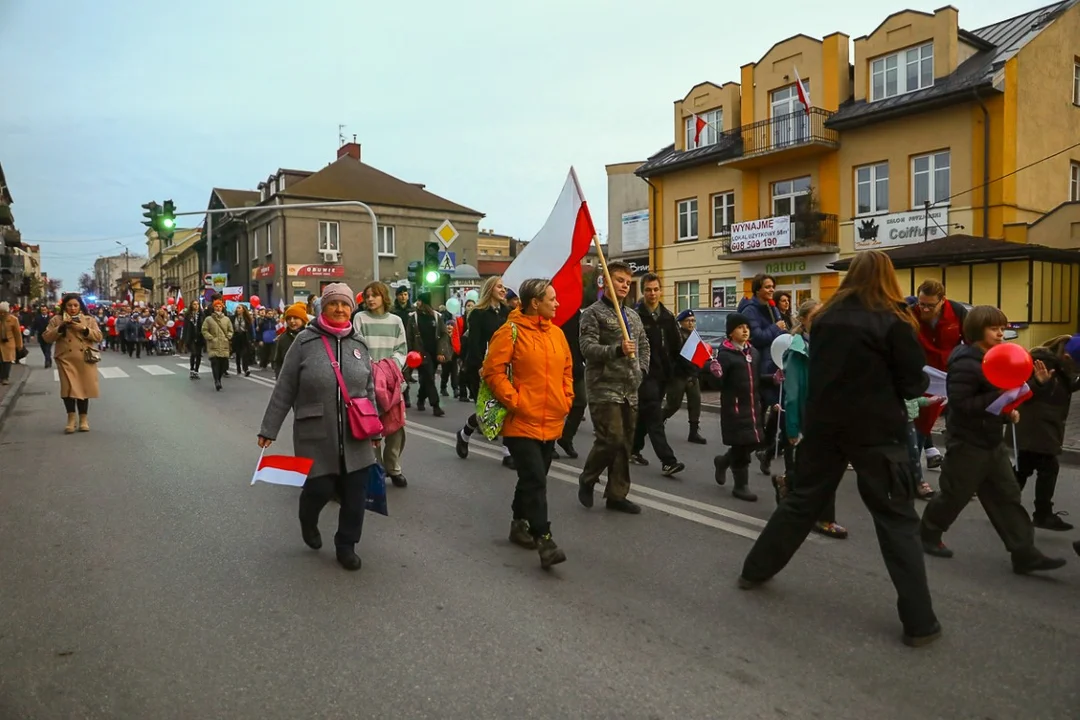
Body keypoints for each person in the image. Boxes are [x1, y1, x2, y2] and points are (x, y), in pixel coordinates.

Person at [738, 251, 940, 647]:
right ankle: (919, 622)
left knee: (802, 502)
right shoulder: (895, 319)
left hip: (827, 425)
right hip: (878, 431)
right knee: (897, 520)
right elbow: (913, 381)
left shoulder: (826, 318)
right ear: (888, 278)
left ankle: (754, 570)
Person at [920, 306, 1067, 575]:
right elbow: (962, 405)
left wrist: (1034, 385)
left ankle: (1025, 554)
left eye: (1002, 327)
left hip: (991, 441)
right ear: (978, 331)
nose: (1001, 333)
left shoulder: (994, 357)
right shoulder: (965, 362)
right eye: (994, 328)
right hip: (967, 442)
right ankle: (928, 534)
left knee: (1007, 497)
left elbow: (1004, 397)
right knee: (955, 495)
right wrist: (1003, 399)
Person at [258, 283, 379, 572]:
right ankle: (308, 518)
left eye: (345, 304)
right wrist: (269, 429)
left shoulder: (359, 344)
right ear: (322, 308)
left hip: (356, 433)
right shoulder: (304, 342)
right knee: (320, 488)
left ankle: (346, 544)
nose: (340, 309)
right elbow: (285, 387)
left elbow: (369, 388)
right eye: (333, 304)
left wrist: (374, 429)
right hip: (315, 430)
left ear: (352, 308)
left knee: (355, 493)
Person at [483, 278, 574, 568]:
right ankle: (544, 538)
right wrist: (516, 401)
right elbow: (492, 372)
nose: (557, 304)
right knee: (535, 478)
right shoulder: (509, 332)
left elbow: (567, 370)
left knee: (533, 479)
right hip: (521, 422)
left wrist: (566, 398)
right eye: (552, 299)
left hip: (551, 420)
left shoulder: (557, 334)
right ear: (535, 303)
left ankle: (518, 523)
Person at [577, 261, 650, 515]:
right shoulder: (593, 313)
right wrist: (616, 350)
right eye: (619, 280)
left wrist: (642, 370)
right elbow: (587, 348)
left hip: (630, 387)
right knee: (611, 439)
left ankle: (617, 494)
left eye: (628, 282)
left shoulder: (632, 316)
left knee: (625, 444)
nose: (624, 286)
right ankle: (588, 477)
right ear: (606, 282)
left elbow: (643, 346)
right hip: (603, 386)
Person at [773, 299, 847, 537]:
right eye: (815, 317)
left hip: (829, 415)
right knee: (824, 468)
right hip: (809, 417)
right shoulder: (797, 350)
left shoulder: (828, 345)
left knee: (816, 467)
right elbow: (792, 395)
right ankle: (824, 518)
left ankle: (787, 482)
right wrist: (792, 428)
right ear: (802, 320)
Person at [1014, 336, 1080, 531]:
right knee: (1048, 467)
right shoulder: (1040, 363)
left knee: (1023, 467)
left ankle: (1004, 505)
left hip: (1046, 424)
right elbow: (1021, 393)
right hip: (1036, 426)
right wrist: (1039, 383)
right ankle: (1041, 514)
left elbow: (1066, 386)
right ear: (1067, 356)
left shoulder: (1061, 366)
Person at [354, 282, 409, 488]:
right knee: (371, 426)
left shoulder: (396, 321)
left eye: (374, 295)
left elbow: (401, 349)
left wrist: (388, 368)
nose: (370, 299)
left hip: (390, 381)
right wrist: (370, 368)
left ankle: (393, 467)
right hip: (366, 380)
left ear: (383, 297)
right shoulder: (360, 318)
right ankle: (375, 468)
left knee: (396, 426)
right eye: (367, 296)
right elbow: (357, 347)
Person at [629, 273, 685, 477]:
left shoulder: (667, 316)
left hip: (663, 374)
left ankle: (633, 450)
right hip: (644, 374)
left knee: (646, 416)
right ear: (643, 292)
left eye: (655, 289)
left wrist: (682, 367)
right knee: (654, 416)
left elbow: (676, 346)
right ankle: (668, 461)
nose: (652, 293)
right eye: (648, 290)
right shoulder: (634, 315)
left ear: (661, 291)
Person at [908, 280, 968, 470]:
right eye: (921, 304)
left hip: (951, 375)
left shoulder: (957, 312)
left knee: (958, 426)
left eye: (930, 305)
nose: (924, 309)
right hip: (923, 376)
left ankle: (958, 474)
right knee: (920, 422)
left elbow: (969, 342)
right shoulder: (909, 315)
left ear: (942, 300)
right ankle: (913, 474)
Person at [708, 313, 764, 502]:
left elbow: (757, 379)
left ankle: (723, 461)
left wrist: (772, 379)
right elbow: (719, 384)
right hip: (736, 408)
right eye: (740, 327)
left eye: (746, 327)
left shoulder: (753, 353)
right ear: (731, 332)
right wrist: (715, 373)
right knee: (741, 446)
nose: (745, 330)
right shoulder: (726, 355)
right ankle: (741, 486)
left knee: (754, 442)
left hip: (754, 408)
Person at [738, 274, 787, 476]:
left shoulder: (773, 308)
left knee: (780, 411)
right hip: (761, 368)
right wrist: (776, 328)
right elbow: (756, 338)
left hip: (777, 366)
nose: (770, 289)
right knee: (758, 416)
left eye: (772, 286)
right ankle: (738, 456)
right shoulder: (751, 310)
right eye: (767, 286)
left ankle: (765, 450)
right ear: (757, 289)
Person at [42, 294, 102, 433]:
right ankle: (71, 419)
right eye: (69, 305)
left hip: (84, 359)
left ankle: (83, 419)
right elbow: (46, 337)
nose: (72, 308)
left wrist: (84, 329)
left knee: (83, 389)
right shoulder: (56, 320)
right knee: (67, 389)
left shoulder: (88, 320)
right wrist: (60, 329)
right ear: (64, 306)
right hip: (65, 358)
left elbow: (99, 336)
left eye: (75, 305)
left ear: (80, 306)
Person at [404, 291, 451, 417]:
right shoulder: (413, 317)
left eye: (420, 300)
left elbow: (443, 334)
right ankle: (435, 405)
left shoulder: (436, 316)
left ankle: (420, 399)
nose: (417, 303)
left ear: (425, 302)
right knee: (429, 377)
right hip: (420, 353)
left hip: (434, 352)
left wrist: (441, 351)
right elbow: (409, 337)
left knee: (426, 378)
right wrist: (410, 352)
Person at [663, 309, 706, 444]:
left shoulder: (695, 336)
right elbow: (676, 357)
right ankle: (656, 421)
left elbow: (698, 357)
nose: (691, 323)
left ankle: (693, 432)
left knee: (695, 403)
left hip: (692, 375)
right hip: (678, 376)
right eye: (688, 321)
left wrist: (696, 372)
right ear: (681, 322)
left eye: (693, 320)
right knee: (673, 404)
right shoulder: (677, 336)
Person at [556, 309, 587, 459]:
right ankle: (547, 443)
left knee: (580, 402)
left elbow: (581, 340)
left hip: (575, 366)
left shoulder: (577, 314)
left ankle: (566, 437)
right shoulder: (549, 313)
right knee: (555, 406)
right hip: (555, 366)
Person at [202, 298, 234, 391]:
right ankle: (216, 380)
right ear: (214, 308)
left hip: (224, 344)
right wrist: (210, 338)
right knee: (215, 363)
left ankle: (219, 378)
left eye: (220, 306)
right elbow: (204, 330)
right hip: (213, 345)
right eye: (217, 306)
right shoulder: (209, 319)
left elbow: (230, 330)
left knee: (223, 364)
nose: (218, 308)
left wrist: (228, 336)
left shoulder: (226, 319)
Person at [272, 302, 308, 378]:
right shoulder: (283, 337)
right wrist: (279, 377)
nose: (291, 321)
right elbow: (278, 361)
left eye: (295, 318)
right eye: (289, 318)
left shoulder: (311, 336)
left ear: (303, 320)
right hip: (288, 379)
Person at [0, 301, 24, 385]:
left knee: (7, 361)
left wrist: (19, 345)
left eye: (4, 312)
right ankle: (1, 377)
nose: (2, 314)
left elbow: (17, 334)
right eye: (1, 312)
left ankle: (5, 378)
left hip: (9, 344)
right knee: (1, 361)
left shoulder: (13, 320)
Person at [183, 302, 206, 379]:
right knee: (193, 353)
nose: (196, 306)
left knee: (199, 354)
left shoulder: (202, 315)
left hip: (199, 337)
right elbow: (185, 327)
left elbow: (204, 325)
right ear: (191, 306)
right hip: (191, 337)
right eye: (194, 304)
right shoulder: (188, 315)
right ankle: (192, 369)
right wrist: (185, 339)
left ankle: (196, 371)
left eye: (197, 304)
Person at [232, 305, 255, 377]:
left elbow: (251, 329)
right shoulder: (233, 318)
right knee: (238, 353)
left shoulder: (247, 319)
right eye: (237, 308)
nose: (237, 309)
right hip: (236, 336)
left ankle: (246, 369)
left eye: (239, 308)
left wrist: (252, 339)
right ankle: (238, 368)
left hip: (244, 336)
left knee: (245, 353)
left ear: (243, 310)